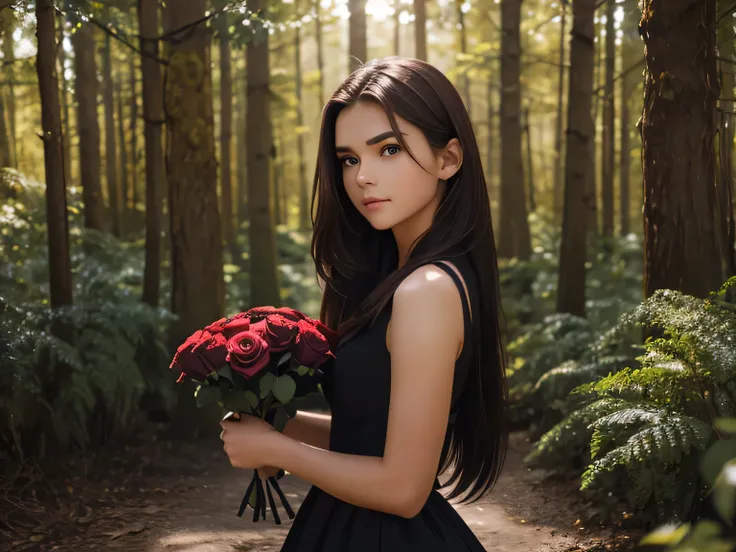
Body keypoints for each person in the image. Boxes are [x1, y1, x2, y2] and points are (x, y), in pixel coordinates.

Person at [219, 56, 509, 551]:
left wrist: (277, 448)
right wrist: (283, 425)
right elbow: (372, 433)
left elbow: (403, 489)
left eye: (388, 149)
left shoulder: (426, 290)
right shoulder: (397, 282)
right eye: (349, 158)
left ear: (449, 159)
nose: (362, 177)